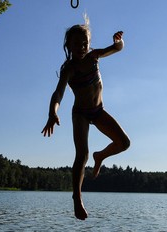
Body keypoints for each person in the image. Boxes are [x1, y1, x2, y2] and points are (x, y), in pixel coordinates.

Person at [41, 20, 130, 220]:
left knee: (124, 143)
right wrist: (52, 112)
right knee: (82, 155)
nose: (81, 47)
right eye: (76, 44)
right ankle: (77, 199)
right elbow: (58, 94)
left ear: (88, 44)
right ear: (68, 46)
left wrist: (118, 42)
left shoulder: (94, 57)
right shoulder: (69, 70)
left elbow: (117, 49)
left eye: (84, 43)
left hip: (98, 111)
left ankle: (101, 157)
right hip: (80, 113)